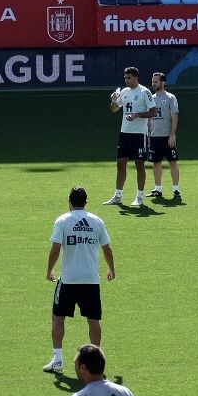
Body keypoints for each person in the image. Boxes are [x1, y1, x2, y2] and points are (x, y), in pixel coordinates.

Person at [43, 186, 114, 373]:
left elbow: (56, 249)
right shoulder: (97, 221)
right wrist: (111, 269)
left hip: (68, 280)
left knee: (58, 317)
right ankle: (98, 361)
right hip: (91, 279)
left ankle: (57, 360)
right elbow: (107, 248)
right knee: (93, 319)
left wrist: (49, 270)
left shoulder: (63, 221)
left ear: (69, 202)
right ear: (86, 203)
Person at [106, 66, 152, 207]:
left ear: (136, 78)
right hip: (124, 133)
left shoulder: (145, 92)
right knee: (120, 164)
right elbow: (114, 110)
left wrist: (137, 115)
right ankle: (118, 196)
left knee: (139, 164)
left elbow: (153, 112)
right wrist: (114, 101)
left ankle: (139, 196)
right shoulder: (124, 92)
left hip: (138, 134)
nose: (126, 80)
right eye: (125, 77)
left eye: (129, 77)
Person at [147, 71, 181, 202]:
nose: (153, 83)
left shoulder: (170, 98)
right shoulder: (151, 99)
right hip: (154, 137)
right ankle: (158, 189)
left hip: (167, 136)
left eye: (156, 81)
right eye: (152, 81)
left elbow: (175, 118)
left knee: (173, 162)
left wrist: (172, 135)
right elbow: (149, 119)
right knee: (156, 163)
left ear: (163, 82)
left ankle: (176, 189)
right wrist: (149, 135)